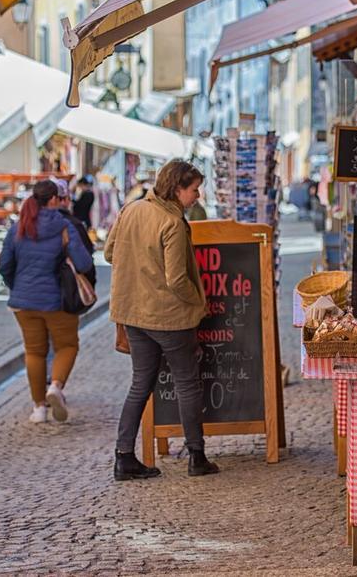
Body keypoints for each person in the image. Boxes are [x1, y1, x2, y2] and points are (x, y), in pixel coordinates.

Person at [105, 159, 219, 480]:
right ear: (178, 188)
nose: (197, 196)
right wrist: (199, 304)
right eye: (194, 190)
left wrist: (140, 266)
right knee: (187, 383)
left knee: (140, 384)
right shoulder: (172, 221)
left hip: (134, 315)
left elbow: (110, 253)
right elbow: (177, 279)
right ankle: (197, 457)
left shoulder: (131, 209)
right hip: (170, 317)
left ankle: (123, 457)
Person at [0, 180, 93, 424]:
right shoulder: (63, 226)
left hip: (23, 302)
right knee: (67, 346)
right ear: (54, 200)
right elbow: (83, 263)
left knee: (34, 352)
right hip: (57, 301)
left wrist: (17, 286)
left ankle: (38, 408)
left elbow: (4, 266)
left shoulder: (18, 227)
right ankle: (56, 387)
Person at [53, 178, 97, 287]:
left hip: (25, 296)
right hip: (63, 291)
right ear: (64, 200)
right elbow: (84, 263)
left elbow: (7, 265)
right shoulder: (71, 225)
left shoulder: (25, 224)